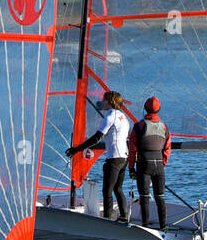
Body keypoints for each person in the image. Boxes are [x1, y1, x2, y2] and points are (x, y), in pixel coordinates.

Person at [65, 90, 131, 223]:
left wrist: (76, 149)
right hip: (124, 157)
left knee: (107, 190)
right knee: (117, 188)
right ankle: (124, 217)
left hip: (114, 158)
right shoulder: (123, 117)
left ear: (110, 101)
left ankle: (106, 220)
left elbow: (96, 138)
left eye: (104, 100)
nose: (102, 102)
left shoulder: (110, 116)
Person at [127, 96, 171, 230]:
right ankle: (163, 227)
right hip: (159, 165)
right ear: (159, 110)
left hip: (144, 164)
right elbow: (167, 148)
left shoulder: (139, 126)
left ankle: (145, 227)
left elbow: (132, 149)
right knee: (160, 197)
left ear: (145, 108)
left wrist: (131, 168)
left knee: (144, 197)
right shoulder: (164, 127)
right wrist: (162, 163)